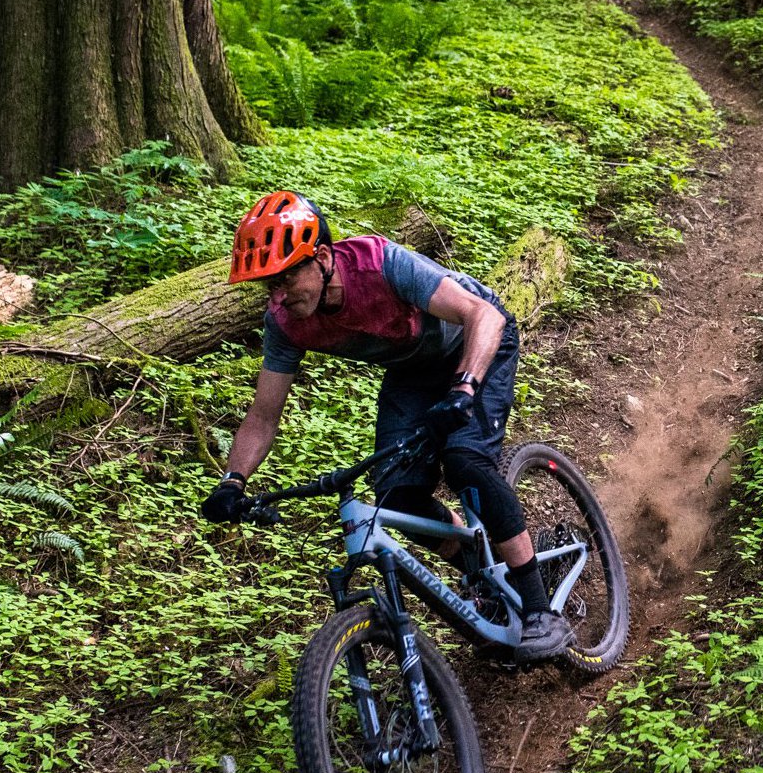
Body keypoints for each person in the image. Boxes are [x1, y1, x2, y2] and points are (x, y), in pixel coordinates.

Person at [198, 190, 575, 661]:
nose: (279, 295)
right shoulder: (285, 323)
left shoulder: (380, 266)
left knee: (464, 459)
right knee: (397, 495)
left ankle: (542, 611)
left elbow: (484, 316)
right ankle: (482, 569)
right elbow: (262, 415)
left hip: (478, 343)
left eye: (287, 277)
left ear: (321, 256)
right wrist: (233, 481)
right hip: (414, 368)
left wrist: (464, 388)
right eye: (269, 286)